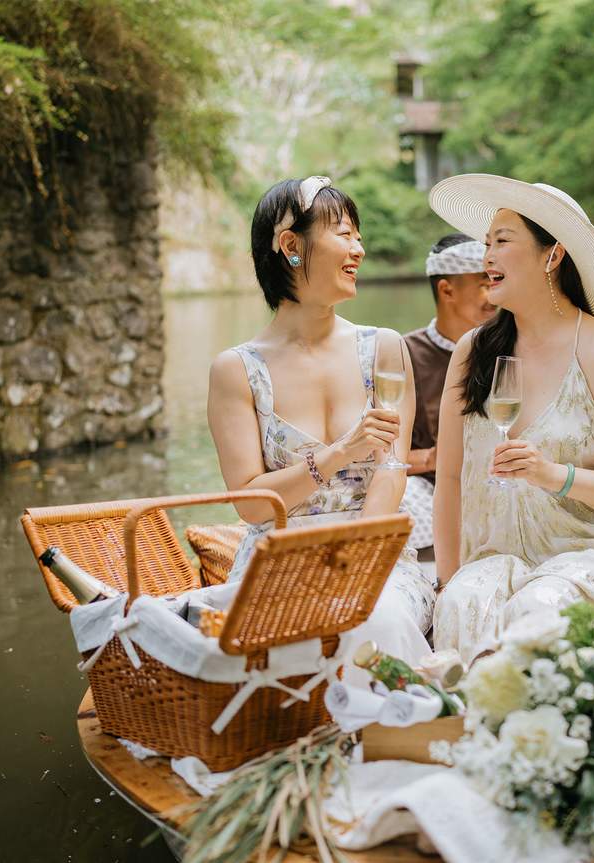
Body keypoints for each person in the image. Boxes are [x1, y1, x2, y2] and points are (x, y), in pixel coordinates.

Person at [428, 175, 594, 662]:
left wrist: (553, 475)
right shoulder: (472, 352)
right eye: (486, 243)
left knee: (538, 610)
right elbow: (448, 478)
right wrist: (447, 581)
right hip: (498, 557)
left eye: (502, 242)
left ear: (553, 255)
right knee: (465, 606)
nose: (486, 256)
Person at [207, 175, 435, 669]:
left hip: (374, 551)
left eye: (358, 235)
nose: (359, 249)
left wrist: (357, 561)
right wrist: (337, 454)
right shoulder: (238, 369)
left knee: (376, 621)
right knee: (286, 638)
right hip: (279, 558)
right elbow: (250, 505)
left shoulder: (385, 348)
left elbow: (391, 472)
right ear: (290, 246)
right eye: (343, 234)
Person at [399, 233, 495, 552]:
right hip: (428, 490)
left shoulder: (510, 347)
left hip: (504, 484)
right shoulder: (401, 354)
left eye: (496, 281)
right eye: (484, 283)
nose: (494, 295)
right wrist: (430, 458)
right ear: (447, 289)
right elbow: (378, 459)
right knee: (394, 506)